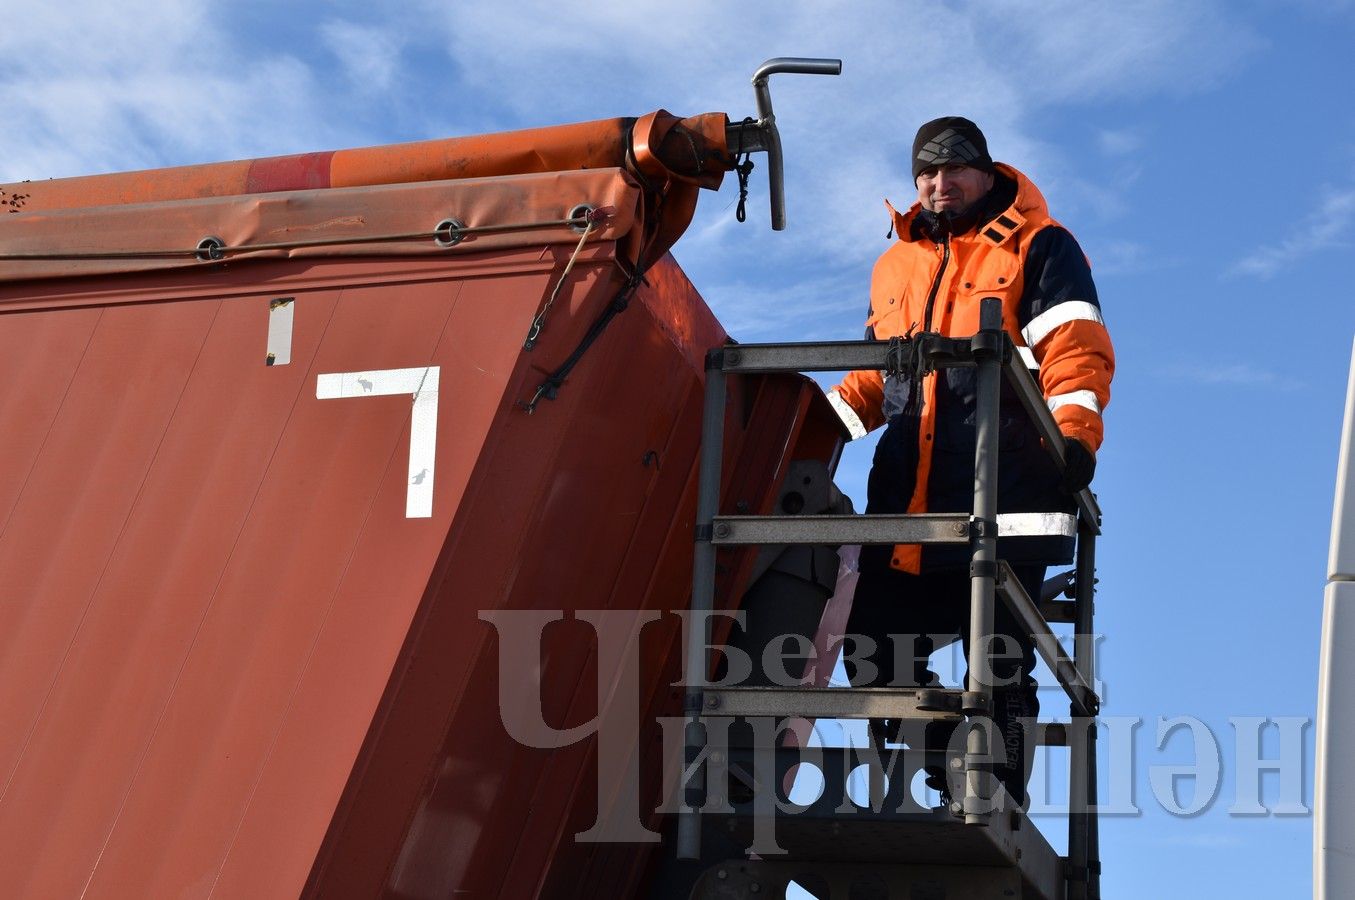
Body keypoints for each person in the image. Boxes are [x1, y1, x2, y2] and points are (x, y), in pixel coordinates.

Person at [827, 116, 1115, 808]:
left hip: (1007, 486)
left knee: (1001, 663)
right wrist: (809, 431)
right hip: (906, 497)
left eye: (952, 169)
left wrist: (1074, 435)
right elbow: (876, 375)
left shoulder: (1040, 247)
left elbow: (1073, 349)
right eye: (924, 173)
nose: (937, 184)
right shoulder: (895, 264)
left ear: (986, 171)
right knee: (872, 644)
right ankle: (928, 767)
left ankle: (992, 795)